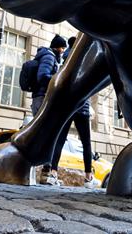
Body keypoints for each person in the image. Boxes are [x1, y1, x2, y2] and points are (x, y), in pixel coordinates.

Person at [45, 36, 96, 187]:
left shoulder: (64, 59)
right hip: (81, 106)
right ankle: (88, 177)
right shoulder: (85, 57)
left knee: (60, 140)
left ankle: (53, 173)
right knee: (86, 143)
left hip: (67, 105)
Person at [30, 35, 66, 116]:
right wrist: (58, 79)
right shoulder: (49, 57)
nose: (63, 51)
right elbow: (42, 76)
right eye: (62, 48)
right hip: (43, 98)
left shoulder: (49, 56)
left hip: (40, 97)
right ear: (56, 47)